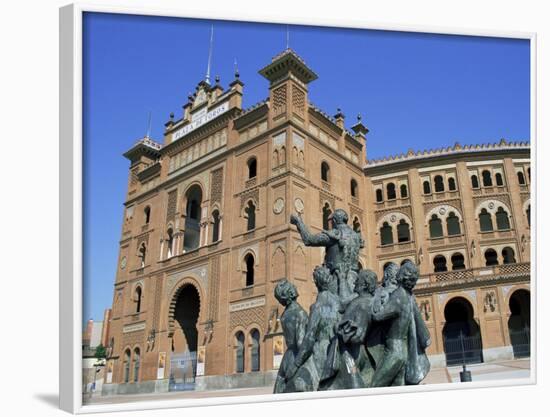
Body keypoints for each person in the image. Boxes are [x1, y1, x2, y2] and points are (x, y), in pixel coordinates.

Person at [285, 266, 341, 390]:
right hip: (337, 351)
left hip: (321, 353)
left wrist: (295, 365)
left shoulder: (317, 307)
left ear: (316, 283)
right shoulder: (339, 302)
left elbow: (309, 339)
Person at [320, 269, 378, 390]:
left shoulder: (359, 303)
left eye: (358, 280)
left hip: (350, 353)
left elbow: (357, 335)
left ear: (364, 285)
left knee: (350, 384)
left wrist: (339, 328)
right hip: (362, 352)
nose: (355, 282)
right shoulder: (369, 302)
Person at [370, 261, 425, 387]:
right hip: (403, 352)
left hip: (393, 351)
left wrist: (376, 303)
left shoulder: (398, 296)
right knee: (398, 391)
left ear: (401, 275)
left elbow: (377, 317)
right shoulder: (408, 297)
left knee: (374, 387)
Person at [290, 209, 363, 303]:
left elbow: (309, 240)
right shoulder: (355, 236)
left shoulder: (335, 233)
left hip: (337, 280)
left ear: (335, 221)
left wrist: (298, 222)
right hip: (354, 279)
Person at [273, 279, 316, 393]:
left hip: (287, 356)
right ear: (291, 293)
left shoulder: (284, 315)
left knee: (279, 391)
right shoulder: (300, 313)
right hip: (297, 356)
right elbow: (301, 343)